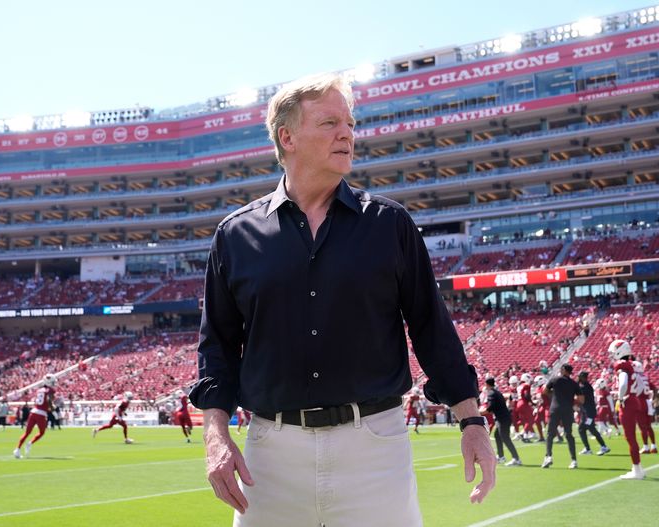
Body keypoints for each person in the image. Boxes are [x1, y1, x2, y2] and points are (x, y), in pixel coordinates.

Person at [189, 73, 495, 526]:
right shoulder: (235, 236)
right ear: (287, 137)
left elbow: (431, 328)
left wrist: (471, 420)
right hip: (270, 456)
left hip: (374, 446)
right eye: (330, 122)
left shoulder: (390, 225)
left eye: (350, 123)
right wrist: (215, 435)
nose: (347, 133)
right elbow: (216, 348)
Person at [609, 339, 647, 479]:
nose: (612, 355)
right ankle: (638, 468)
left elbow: (624, 382)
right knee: (632, 436)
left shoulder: (622, 366)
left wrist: (620, 397)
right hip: (634, 400)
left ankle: (636, 470)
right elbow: (641, 386)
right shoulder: (631, 365)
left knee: (630, 437)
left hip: (627, 402)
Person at [542, 364, 582, 469]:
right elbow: (581, 399)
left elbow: (545, 391)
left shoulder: (555, 380)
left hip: (555, 409)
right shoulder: (574, 383)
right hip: (567, 410)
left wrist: (554, 395)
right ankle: (574, 460)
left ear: (563, 370)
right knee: (569, 435)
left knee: (550, 434)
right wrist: (572, 402)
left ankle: (548, 456)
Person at [13, 374, 56, 459]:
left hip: (33, 412)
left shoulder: (39, 390)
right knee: (42, 432)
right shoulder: (50, 390)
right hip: (41, 414)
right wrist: (52, 407)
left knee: (27, 433)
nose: (54, 383)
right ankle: (29, 444)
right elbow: (49, 401)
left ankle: (17, 449)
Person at [482, 378, 521, 466]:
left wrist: (478, 413)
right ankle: (501, 456)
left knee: (505, 438)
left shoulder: (491, 393)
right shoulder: (496, 392)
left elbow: (490, 409)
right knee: (497, 435)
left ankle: (516, 459)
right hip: (504, 418)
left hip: (502, 419)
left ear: (486, 384)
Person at [576, 371, 610, 456]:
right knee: (584, 429)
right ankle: (590, 448)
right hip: (586, 412)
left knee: (589, 428)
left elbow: (581, 399)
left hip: (588, 412)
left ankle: (602, 446)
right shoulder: (585, 386)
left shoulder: (585, 387)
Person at [632, 361, 657, 454]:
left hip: (640, 402)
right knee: (648, 426)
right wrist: (653, 398)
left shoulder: (636, 377)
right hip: (648, 402)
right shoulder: (645, 377)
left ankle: (646, 447)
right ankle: (654, 446)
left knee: (642, 427)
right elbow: (654, 388)